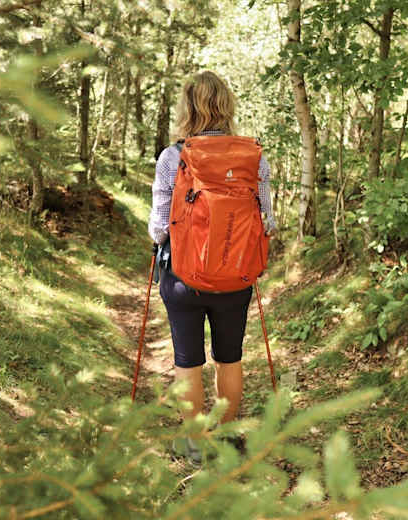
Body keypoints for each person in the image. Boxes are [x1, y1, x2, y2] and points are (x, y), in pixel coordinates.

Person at [148, 71, 277, 461]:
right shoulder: (254, 157)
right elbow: (268, 222)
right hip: (235, 276)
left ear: (187, 107)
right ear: (226, 105)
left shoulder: (173, 157)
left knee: (187, 360)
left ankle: (195, 443)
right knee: (229, 356)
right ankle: (227, 437)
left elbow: (159, 228)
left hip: (182, 276)